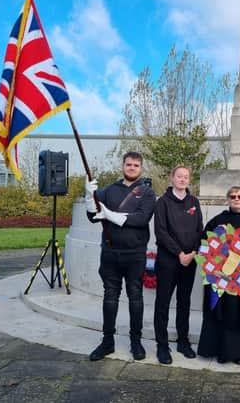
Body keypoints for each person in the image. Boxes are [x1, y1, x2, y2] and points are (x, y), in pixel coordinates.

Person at [85, 152, 156, 362]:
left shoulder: (147, 193)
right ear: (122, 166)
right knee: (110, 297)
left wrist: (111, 215)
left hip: (134, 254)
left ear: (141, 168)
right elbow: (92, 216)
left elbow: (141, 219)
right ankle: (107, 341)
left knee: (135, 297)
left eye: (136, 165)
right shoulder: (109, 191)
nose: (132, 167)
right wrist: (90, 197)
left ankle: (136, 341)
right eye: (128, 164)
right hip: (110, 253)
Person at [197, 186, 240, 365]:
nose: (236, 199)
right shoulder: (217, 221)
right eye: (233, 196)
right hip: (223, 280)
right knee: (223, 315)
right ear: (227, 199)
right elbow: (204, 247)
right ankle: (222, 351)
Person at [153, 165, 203, 365]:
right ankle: (162, 345)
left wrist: (192, 253)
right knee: (163, 303)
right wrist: (179, 253)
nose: (182, 179)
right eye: (179, 176)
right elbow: (161, 232)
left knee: (184, 303)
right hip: (168, 260)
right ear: (172, 178)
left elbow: (199, 229)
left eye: (186, 177)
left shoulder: (194, 202)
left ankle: (183, 341)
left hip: (189, 260)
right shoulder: (163, 202)